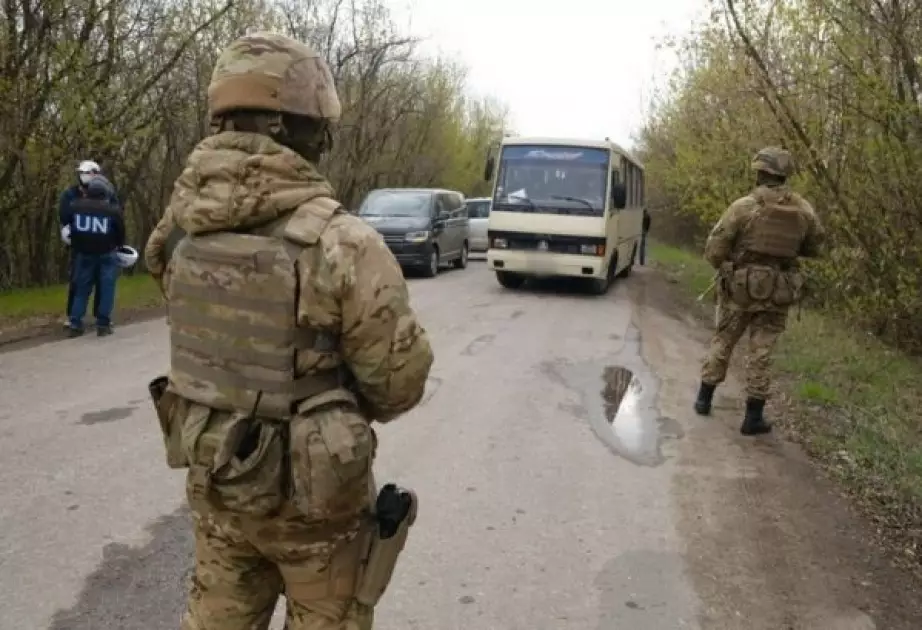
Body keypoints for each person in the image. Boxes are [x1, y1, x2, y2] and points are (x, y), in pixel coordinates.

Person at [144, 32, 434, 630]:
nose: (325, 136)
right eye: (315, 120)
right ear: (280, 126)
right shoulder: (341, 242)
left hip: (220, 483)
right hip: (317, 510)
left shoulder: (176, 231)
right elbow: (398, 384)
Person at [693, 147, 824, 435]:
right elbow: (815, 248)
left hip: (740, 289)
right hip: (778, 290)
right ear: (784, 174)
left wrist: (728, 266)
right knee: (761, 352)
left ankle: (704, 399)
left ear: (759, 173)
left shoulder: (743, 206)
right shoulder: (803, 210)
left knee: (724, 341)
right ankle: (753, 417)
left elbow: (714, 249)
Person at [62, 175, 125, 337]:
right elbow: (120, 234)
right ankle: (103, 324)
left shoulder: (75, 206)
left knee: (81, 290)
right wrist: (118, 246)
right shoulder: (112, 210)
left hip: (83, 254)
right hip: (106, 254)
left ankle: (75, 323)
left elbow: (68, 226)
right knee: (106, 289)